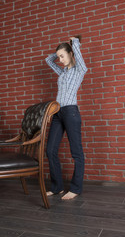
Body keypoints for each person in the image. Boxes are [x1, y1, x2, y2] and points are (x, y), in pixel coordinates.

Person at [45, 35, 87, 200]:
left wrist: (74, 43)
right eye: (59, 57)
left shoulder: (79, 70)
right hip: (57, 113)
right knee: (50, 150)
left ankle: (76, 188)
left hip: (71, 112)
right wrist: (58, 52)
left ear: (71, 54)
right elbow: (49, 60)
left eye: (63, 56)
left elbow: (78, 58)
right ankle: (57, 187)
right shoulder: (62, 72)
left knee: (76, 152)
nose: (60, 60)